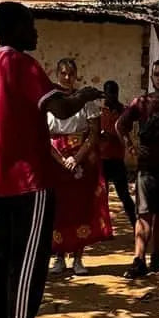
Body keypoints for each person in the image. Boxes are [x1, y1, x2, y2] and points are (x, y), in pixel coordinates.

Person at [0, 1, 102, 318]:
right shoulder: (23, 63)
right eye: (30, 25)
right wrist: (85, 95)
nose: (36, 32)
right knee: (28, 261)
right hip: (29, 179)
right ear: (14, 28)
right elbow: (59, 108)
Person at [116, 59, 159, 280]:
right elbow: (120, 125)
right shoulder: (140, 103)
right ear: (152, 77)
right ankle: (139, 259)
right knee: (143, 213)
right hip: (146, 167)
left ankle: (157, 257)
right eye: (157, 74)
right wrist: (130, 146)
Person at [47, 58, 112, 276]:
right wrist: (59, 159)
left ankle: (77, 257)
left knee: (80, 206)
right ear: (57, 74)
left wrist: (76, 158)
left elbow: (93, 133)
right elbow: (43, 135)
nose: (67, 77)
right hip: (54, 160)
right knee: (57, 208)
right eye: (63, 73)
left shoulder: (86, 101)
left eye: (71, 74)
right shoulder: (50, 101)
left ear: (76, 75)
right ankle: (58, 256)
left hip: (82, 160)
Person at [99, 80, 137, 226]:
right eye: (109, 93)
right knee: (102, 195)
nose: (112, 96)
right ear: (105, 93)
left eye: (114, 92)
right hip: (102, 158)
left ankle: (135, 224)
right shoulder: (99, 111)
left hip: (117, 159)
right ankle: (104, 227)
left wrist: (111, 136)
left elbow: (126, 133)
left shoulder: (124, 112)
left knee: (124, 195)